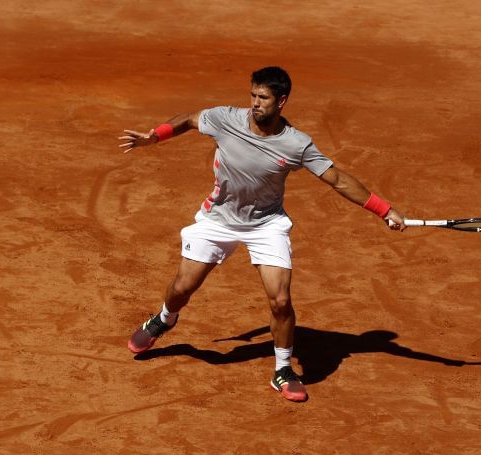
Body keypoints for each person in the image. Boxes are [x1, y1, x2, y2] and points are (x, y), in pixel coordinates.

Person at [118, 66, 406, 402]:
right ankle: (165, 319)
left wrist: (384, 210)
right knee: (183, 288)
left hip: (267, 224)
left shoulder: (296, 144)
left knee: (281, 301)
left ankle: (283, 370)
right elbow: (190, 119)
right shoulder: (226, 119)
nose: (255, 103)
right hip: (218, 220)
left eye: (263, 98)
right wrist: (157, 135)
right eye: (253, 95)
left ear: (281, 101)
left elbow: (337, 179)